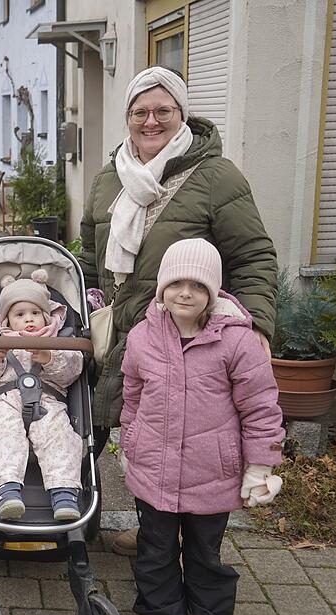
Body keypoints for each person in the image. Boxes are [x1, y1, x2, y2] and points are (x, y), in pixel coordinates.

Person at [77, 66, 278, 557]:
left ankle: (170, 540)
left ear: (181, 114)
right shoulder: (109, 178)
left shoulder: (215, 176)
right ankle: (85, 522)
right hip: (115, 334)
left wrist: (256, 324)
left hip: (183, 338)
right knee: (95, 432)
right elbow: (87, 255)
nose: (151, 121)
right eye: (140, 111)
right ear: (127, 117)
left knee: (174, 438)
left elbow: (252, 256)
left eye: (163, 110)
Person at [120, 239, 284, 615]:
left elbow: (260, 406)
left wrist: (260, 465)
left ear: (212, 292)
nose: (186, 293)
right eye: (177, 283)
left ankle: (209, 614)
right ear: (163, 287)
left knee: (204, 553)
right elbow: (133, 395)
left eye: (198, 286)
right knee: (155, 550)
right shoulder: (142, 337)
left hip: (211, 473)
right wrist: (130, 442)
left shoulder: (236, 340)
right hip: (154, 471)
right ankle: (164, 613)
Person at [0, 269, 83, 521]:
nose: (29, 320)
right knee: (1, 434)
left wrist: (50, 358)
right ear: (7, 319)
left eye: (35, 313)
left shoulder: (59, 340)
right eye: (20, 315)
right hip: (5, 400)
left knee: (60, 437)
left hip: (48, 402)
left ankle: (64, 492)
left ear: (46, 315)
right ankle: (8, 491)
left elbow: (72, 372)